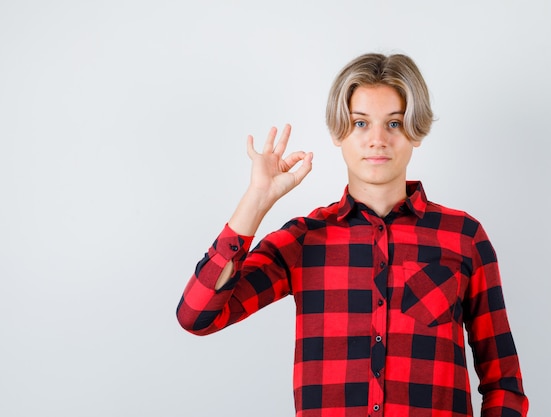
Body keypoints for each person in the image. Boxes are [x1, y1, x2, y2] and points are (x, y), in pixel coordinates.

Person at [176, 52, 529, 417]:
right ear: (337, 133)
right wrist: (257, 200)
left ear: (416, 132)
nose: (377, 140)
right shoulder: (304, 240)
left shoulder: (463, 237)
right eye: (361, 124)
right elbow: (197, 316)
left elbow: (503, 383)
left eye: (393, 124)